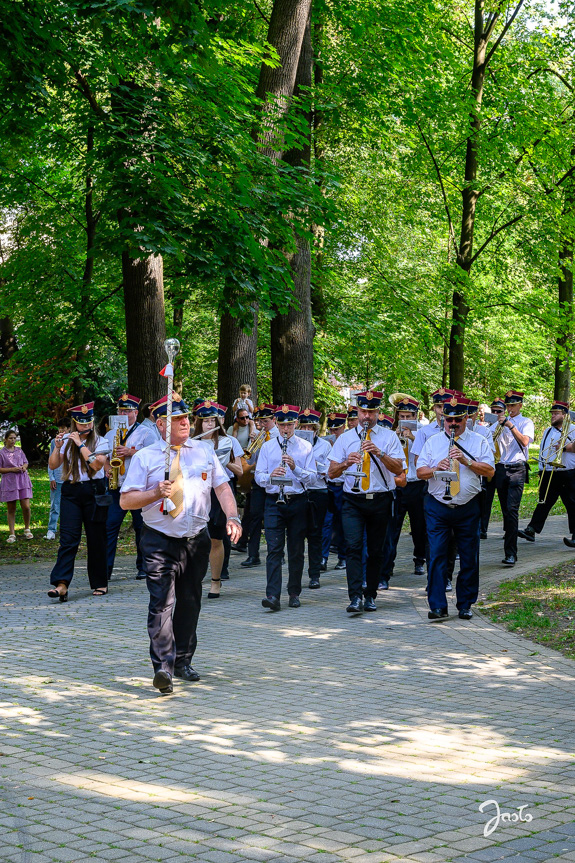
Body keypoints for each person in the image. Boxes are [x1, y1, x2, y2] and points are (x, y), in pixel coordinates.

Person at [120, 392, 242, 694]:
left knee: (190, 601)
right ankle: (163, 668)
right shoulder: (146, 457)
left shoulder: (203, 450)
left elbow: (222, 486)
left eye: (187, 417)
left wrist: (232, 516)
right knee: (162, 603)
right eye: (178, 419)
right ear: (162, 424)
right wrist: (153, 494)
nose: (186, 422)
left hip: (195, 540)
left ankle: (184, 660)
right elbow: (125, 501)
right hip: (159, 540)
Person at [416, 395, 495, 620]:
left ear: (466, 419)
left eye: (457, 420)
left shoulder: (478, 441)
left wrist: (466, 461)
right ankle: (438, 605)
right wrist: (435, 469)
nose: (452, 424)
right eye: (448, 420)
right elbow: (419, 472)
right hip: (438, 505)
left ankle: (465, 604)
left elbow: (489, 471)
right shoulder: (433, 442)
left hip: (468, 506)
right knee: (437, 555)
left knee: (469, 557)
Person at [328, 391, 405, 614]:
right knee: (353, 547)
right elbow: (331, 473)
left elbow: (399, 469)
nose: (366, 416)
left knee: (376, 550)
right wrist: (345, 463)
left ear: (378, 413)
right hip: (353, 500)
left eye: (371, 412)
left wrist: (379, 453)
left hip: (379, 500)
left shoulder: (389, 437)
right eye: (363, 412)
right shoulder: (345, 438)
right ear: (357, 412)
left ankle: (370, 594)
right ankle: (354, 597)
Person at [47, 402, 110, 601]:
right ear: (74, 424)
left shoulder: (100, 441)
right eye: (81, 424)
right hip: (71, 491)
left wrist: (81, 444)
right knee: (68, 539)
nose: (85, 427)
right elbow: (54, 464)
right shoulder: (65, 440)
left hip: (94, 491)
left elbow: (97, 464)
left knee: (96, 538)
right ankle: (61, 584)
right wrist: (57, 448)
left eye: (88, 423)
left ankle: (100, 582)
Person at [256, 405, 316, 610]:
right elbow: (258, 477)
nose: (285, 429)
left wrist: (294, 467)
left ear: (296, 424)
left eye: (289, 424)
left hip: (297, 501)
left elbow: (313, 477)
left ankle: (294, 592)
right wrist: (271, 476)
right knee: (274, 549)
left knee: (296, 549)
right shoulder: (267, 447)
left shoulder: (305, 447)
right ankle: (272, 595)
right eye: (282, 425)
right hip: (274, 501)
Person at [105, 394, 158, 581]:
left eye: (127, 411)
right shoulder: (111, 432)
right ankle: (106, 569)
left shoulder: (146, 432)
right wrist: (107, 468)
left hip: (138, 488)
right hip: (116, 487)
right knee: (109, 527)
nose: (123, 414)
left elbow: (154, 455)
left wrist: (131, 452)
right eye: (120, 410)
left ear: (136, 412)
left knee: (140, 528)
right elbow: (103, 455)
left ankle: (143, 567)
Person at [193, 401, 242, 598]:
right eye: (205, 421)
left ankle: (216, 581)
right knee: (194, 538)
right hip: (197, 490)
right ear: (199, 423)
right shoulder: (191, 441)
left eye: (212, 420)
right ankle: (194, 578)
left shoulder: (227, 441)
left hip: (220, 489)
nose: (209, 424)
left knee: (216, 538)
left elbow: (237, 470)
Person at [380, 395, 426, 589]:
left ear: (415, 416)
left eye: (408, 415)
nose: (404, 419)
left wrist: (412, 438)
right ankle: (387, 567)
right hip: (397, 484)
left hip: (416, 483)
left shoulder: (423, 432)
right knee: (392, 528)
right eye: (402, 415)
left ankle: (419, 560)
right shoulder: (392, 432)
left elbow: (427, 456)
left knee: (419, 526)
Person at [518, 400, 575, 547]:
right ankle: (531, 530)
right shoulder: (548, 431)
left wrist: (566, 447)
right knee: (544, 502)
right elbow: (545, 451)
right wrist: (542, 468)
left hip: (567, 472)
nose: (553, 416)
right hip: (550, 472)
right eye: (552, 414)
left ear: (564, 414)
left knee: (572, 504)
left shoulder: (572, 429)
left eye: (556, 414)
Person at [492, 390, 534, 566]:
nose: (510, 408)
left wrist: (510, 425)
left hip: (517, 468)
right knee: (505, 511)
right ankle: (509, 547)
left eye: (513, 405)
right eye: (508, 405)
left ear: (520, 405)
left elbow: (525, 442)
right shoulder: (497, 424)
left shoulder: (526, 422)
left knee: (512, 510)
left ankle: (511, 553)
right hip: (501, 468)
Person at [241, 404, 279, 568]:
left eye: (265, 421)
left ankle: (278, 552)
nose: (262, 425)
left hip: (276, 482)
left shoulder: (280, 435)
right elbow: (249, 460)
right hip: (259, 482)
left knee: (276, 520)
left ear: (274, 419)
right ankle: (253, 554)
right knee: (254, 517)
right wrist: (252, 446)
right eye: (259, 421)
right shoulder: (258, 436)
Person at [298, 409, 331, 589]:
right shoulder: (294, 444)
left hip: (318, 491)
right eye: (303, 427)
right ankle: (297, 573)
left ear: (316, 429)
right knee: (297, 534)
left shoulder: (324, 446)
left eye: (310, 427)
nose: (306, 430)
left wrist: (312, 463)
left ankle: (315, 574)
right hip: (301, 492)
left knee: (315, 533)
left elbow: (329, 471)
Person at [321, 412, 348, 571]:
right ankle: (323, 558)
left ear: (343, 427)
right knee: (327, 522)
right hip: (330, 487)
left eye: (336, 429)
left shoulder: (346, 442)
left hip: (344, 486)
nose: (333, 433)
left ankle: (343, 557)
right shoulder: (326, 445)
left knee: (342, 523)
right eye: (331, 430)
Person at [0, 430, 34, 543]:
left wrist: (24, 467)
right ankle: (12, 534)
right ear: (5, 439)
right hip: (9, 481)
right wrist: (11, 469)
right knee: (11, 508)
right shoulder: (2, 453)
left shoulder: (19, 450)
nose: (13, 440)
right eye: (10, 438)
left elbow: (26, 462)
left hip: (22, 480)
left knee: (26, 506)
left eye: (14, 438)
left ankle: (27, 529)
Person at [480, 397, 506, 538]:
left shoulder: (508, 426)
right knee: (486, 499)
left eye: (499, 411)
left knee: (505, 500)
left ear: (504, 411)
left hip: (502, 465)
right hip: (490, 465)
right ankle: (483, 529)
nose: (496, 413)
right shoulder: (487, 428)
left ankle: (508, 530)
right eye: (493, 411)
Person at [45, 418, 71, 540]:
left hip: (70, 479)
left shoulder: (73, 441)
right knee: (55, 505)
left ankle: (67, 529)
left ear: (69, 429)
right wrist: (51, 478)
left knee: (69, 506)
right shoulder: (54, 442)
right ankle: (51, 529)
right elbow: (50, 461)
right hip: (57, 477)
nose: (61, 430)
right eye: (60, 428)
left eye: (64, 428)